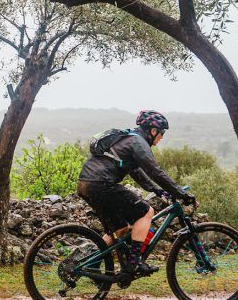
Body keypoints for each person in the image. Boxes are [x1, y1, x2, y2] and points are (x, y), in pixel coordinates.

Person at [76, 110, 196, 280]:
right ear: (153, 131)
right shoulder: (138, 142)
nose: (161, 138)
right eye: (161, 134)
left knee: (120, 229)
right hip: (102, 184)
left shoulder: (127, 139)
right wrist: (180, 193)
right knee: (146, 212)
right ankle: (134, 263)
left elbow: (135, 171)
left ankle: (92, 265)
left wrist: (157, 190)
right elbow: (155, 171)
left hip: (85, 185)